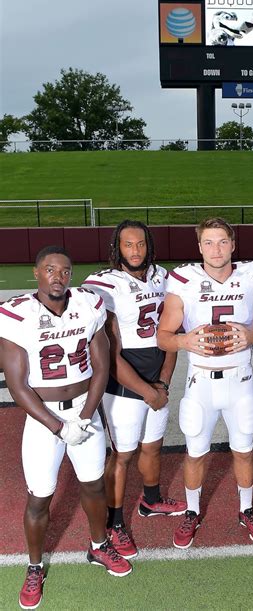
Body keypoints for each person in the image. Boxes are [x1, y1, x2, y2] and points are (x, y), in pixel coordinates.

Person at [0, 246, 132, 610]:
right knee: (40, 496)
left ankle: (98, 545)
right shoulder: (16, 314)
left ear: (70, 274)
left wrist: (86, 416)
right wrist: (59, 427)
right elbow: (18, 386)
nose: (57, 277)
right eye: (49, 270)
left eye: (64, 271)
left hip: (84, 413)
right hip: (44, 419)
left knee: (93, 485)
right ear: (37, 272)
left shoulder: (89, 305)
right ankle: (34, 566)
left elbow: (101, 366)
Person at [157, 217, 253, 549]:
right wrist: (185, 341)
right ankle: (192, 511)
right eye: (209, 243)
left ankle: (247, 508)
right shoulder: (183, 280)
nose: (216, 249)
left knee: (244, 450)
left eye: (222, 242)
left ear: (233, 244)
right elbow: (163, 337)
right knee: (195, 452)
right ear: (199, 247)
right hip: (200, 383)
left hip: (240, 380)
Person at [82, 220, 185, 560]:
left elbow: (173, 333)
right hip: (124, 384)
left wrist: (164, 383)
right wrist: (146, 390)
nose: (136, 250)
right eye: (128, 245)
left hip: (159, 377)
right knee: (123, 455)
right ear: (117, 248)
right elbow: (109, 353)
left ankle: (151, 500)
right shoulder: (104, 284)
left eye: (140, 244)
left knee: (153, 447)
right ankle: (114, 523)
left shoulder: (163, 276)